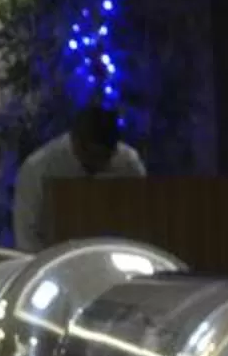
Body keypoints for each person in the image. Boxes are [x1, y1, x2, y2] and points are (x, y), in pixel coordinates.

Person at [12, 106, 146, 250]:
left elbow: (142, 218)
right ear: (74, 141)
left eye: (104, 158)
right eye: (92, 156)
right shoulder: (39, 167)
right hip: (55, 260)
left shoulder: (128, 164)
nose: (98, 164)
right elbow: (26, 233)